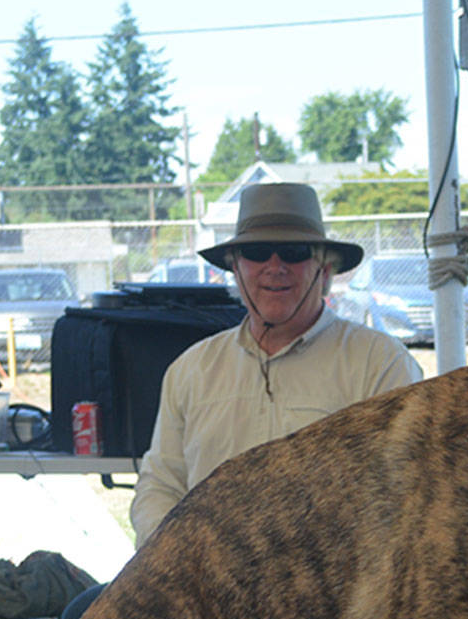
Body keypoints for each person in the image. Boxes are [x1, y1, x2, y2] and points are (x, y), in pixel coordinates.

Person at [130, 181, 421, 543]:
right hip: (204, 587)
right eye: (257, 252)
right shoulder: (190, 370)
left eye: (294, 251)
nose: (274, 266)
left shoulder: (380, 364)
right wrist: (177, 559)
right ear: (236, 269)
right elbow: (160, 484)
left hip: (332, 592)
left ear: (325, 272)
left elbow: (403, 495)